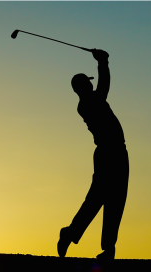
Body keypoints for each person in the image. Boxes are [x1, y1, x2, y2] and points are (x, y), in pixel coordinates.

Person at [57, 49, 129, 260]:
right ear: (83, 87)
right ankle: (71, 233)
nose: (91, 84)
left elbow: (102, 88)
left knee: (115, 199)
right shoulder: (89, 103)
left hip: (116, 152)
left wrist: (103, 62)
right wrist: (103, 62)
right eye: (87, 83)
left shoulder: (89, 101)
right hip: (109, 154)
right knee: (99, 198)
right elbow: (104, 86)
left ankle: (107, 248)